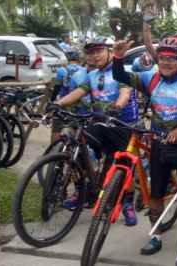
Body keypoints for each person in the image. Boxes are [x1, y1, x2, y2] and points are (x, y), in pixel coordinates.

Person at [112, 39, 177, 255]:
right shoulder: (150, 79)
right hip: (159, 144)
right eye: (162, 58)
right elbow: (121, 76)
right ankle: (155, 235)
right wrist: (117, 57)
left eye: (171, 58)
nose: (166, 62)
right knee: (156, 193)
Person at [54, 37, 139, 225]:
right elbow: (79, 93)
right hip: (100, 124)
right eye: (91, 53)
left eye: (98, 51)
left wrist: (117, 106)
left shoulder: (123, 72)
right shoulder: (91, 75)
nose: (94, 56)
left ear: (110, 51)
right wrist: (58, 103)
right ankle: (82, 190)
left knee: (123, 167)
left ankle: (127, 205)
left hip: (123, 125)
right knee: (77, 146)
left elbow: (125, 94)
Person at [50, 50, 90, 141]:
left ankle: (54, 149)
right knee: (78, 127)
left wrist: (53, 101)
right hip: (80, 103)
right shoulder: (83, 70)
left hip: (64, 102)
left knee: (57, 126)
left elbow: (57, 87)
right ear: (79, 59)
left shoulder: (62, 70)